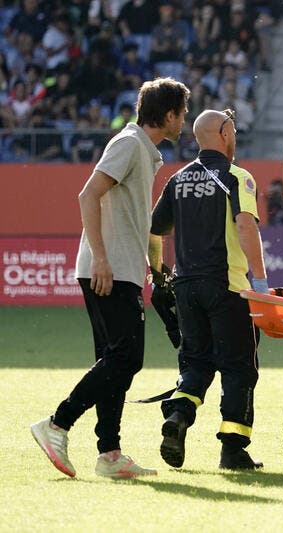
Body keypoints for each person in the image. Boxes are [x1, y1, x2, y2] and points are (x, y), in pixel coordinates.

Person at [30, 77, 190, 479]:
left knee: (114, 359)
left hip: (121, 268)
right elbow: (88, 195)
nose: (184, 120)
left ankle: (109, 453)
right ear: (168, 115)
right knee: (126, 357)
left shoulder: (143, 149)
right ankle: (57, 424)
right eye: (182, 112)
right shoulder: (129, 143)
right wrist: (101, 259)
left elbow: (138, 220)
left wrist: (154, 269)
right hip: (110, 269)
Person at [149, 108, 268, 470]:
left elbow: (155, 232)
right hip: (227, 287)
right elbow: (245, 226)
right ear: (225, 133)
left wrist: (157, 276)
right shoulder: (237, 176)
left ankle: (179, 416)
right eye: (232, 130)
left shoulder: (177, 179)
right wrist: (260, 283)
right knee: (238, 368)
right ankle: (233, 450)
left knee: (196, 364)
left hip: (185, 287)